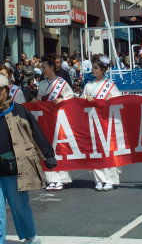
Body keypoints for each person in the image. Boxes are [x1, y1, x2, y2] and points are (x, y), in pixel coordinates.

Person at [0, 73, 57, 244]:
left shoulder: (18, 110)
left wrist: (48, 155)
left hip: (14, 167)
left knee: (19, 206)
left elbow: (35, 133)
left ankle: (30, 236)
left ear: (6, 90)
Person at [81, 54, 121, 191]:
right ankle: (99, 179)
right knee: (95, 150)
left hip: (106, 121)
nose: (93, 70)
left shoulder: (110, 85)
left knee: (109, 150)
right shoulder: (88, 86)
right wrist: (86, 99)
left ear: (103, 70)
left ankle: (110, 179)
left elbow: (118, 100)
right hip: (93, 121)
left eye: (96, 68)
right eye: (93, 68)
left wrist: (111, 97)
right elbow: (80, 103)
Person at [37, 56, 73, 191]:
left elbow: (71, 97)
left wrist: (62, 100)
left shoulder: (62, 83)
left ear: (51, 67)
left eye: (44, 67)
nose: (43, 70)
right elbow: (40, 102)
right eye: (42, 67)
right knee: (47, 148)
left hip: (60, 120)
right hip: (46, 120)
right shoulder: (41, 84)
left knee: (60, 148)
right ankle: (50, 179)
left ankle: (61, 179)